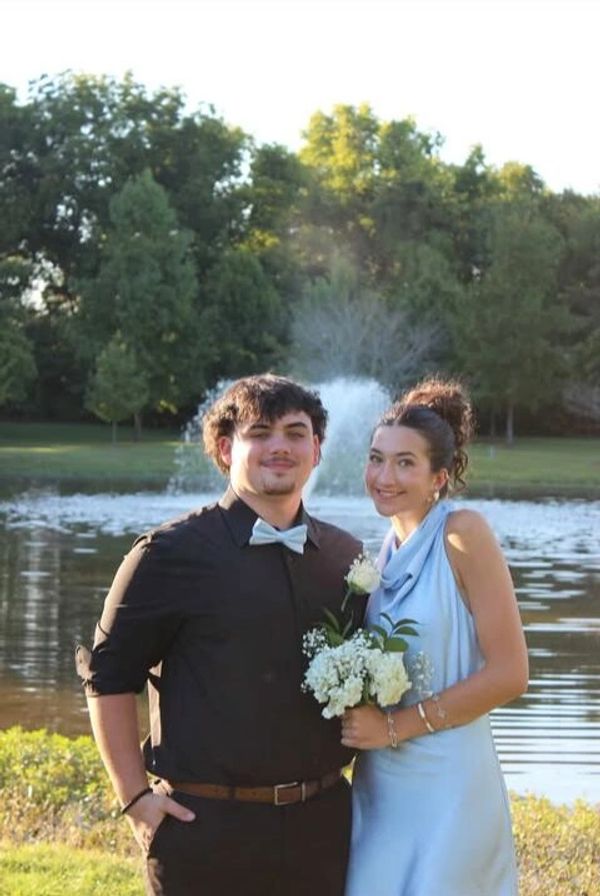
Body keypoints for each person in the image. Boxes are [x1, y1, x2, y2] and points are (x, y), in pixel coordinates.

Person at [76, 374, 365, 896]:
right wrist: (135, 798)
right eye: (261, 432)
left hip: (323, 829)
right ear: (227, 449)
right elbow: (107, 678)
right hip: (204, 831)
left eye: (296, 433)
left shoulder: (346, 557)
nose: (280, 446)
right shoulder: (166, 554)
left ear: (317, 450)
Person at [341, 376, 528, 896]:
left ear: (438, 477)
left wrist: (394, 728)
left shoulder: (463, 533)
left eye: (405, 463)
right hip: (382, 783)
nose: (384, 476)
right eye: (376, 459)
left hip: (449, 784)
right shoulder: (382, 552)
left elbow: (511, 674)